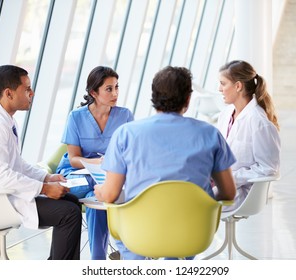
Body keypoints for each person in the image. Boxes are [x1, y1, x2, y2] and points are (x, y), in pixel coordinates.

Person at [94, 66, 237, 260]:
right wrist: (205, 200)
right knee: (178, 245)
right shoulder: (210, 134)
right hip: (191, 234)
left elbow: (110, 194)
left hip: (141, 234)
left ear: (153, 97)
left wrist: (100, 191)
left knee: (128, 233)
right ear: (187, 99)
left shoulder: (126, 133)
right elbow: (229, 192)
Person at [0, 65, 82, 259]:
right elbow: (1, 176)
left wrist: (47, 177)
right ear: (8, 93)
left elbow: (16, 163)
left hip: (2, 192)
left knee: (72, 201)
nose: (32, 93)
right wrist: (44, 188)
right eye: (27, 89)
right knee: (69, 213)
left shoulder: (4, 119)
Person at [56, 66, 134, 260]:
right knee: (94, 189)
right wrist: (96, 162)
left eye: (116, 87)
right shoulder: (76, 117)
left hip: (109, 176)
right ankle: (120, 253)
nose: (115, 93)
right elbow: (73, 159)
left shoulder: (124, 115)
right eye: (109, 89)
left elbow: (131, 153)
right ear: (93, 92)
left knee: (96, 196)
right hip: (79, 175)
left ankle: (97, 261)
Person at [216, 60, 281, 212]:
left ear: (238, 86)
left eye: (223, 84)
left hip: (240, 192)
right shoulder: (225, 115)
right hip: (220, 182)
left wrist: (232, 178)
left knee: (190, 202)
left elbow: (269, 168)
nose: (219, 89)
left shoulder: (259, 122)